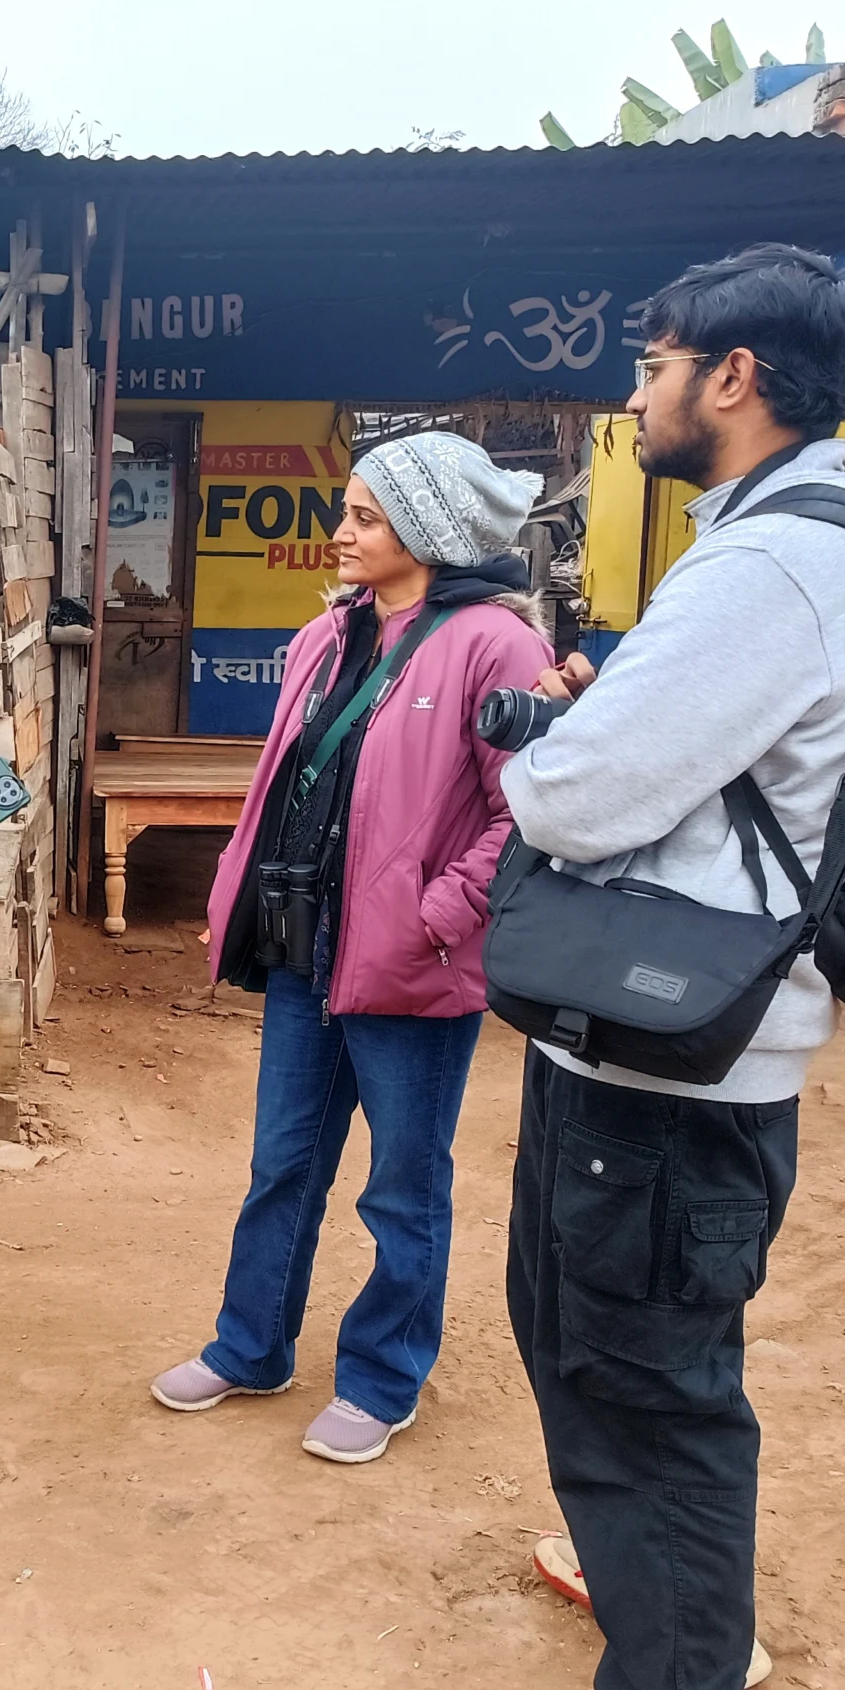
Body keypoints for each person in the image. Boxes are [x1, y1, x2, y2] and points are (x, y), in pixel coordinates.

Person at [490, 244, 845, 1690]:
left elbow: (578, 795)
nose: (636, 395)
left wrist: (545, 757)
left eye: (653, 365)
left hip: (674, 1051)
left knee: (646, 1374)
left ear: (733, 376)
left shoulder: (771, 567)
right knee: (586, 1333)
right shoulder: (799, 538)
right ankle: (658, 1587)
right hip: (652, 1023)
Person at [148, 432, 553, 1463]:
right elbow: (283, 783)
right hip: (305, 950)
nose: (341, 532)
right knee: (281, 1164)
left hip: (413, 962)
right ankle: (250, 1349)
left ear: (426, 531)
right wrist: (237, 888)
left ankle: (381, 1379)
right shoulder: (326, 637)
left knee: (402, 1187)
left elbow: (525, 813)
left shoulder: (496, 646)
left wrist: (438, 916)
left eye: (366, 517)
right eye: (348, 511)